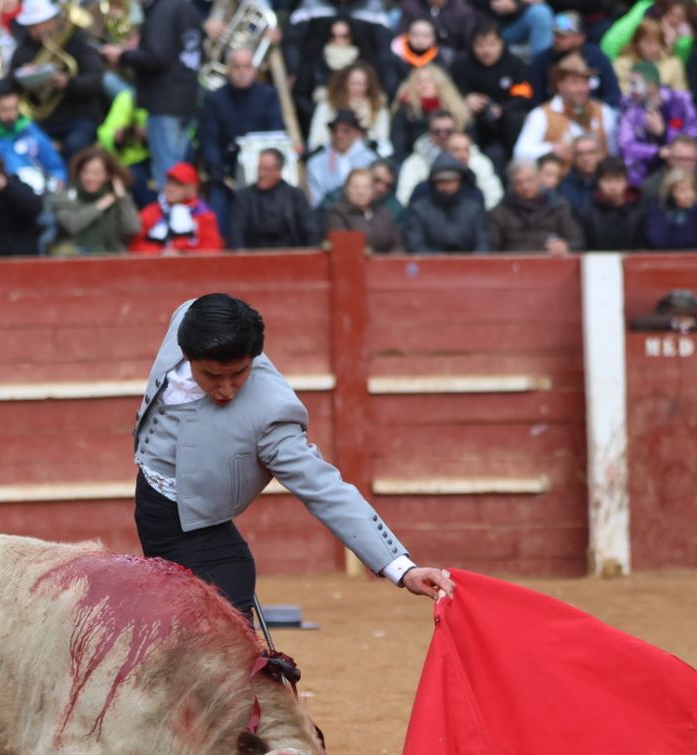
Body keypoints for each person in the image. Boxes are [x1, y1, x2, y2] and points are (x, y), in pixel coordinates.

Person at [131, 292, 454, 621]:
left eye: (239, 374)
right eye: (213, 376)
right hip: (153, 508)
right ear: (187, 354)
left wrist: (402, 568)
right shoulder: (187, 319)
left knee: (223, 648)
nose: (226, 389)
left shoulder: (271, 413)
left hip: (202, 532)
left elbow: (324, 488)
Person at [106, 0, 204, 184]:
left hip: (164, 102)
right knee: (180, 174)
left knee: (169, 178)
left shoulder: (162, 9)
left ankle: (172, 213)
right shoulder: (187, 6)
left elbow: (155, 58)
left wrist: (122, 56)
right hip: (186, 99)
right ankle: (179, 212)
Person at [7, 0, 105, 156]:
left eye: (43, 23)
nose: (38, 30)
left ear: (54, 20)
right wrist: (22, 76)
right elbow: (8, 84)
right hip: (43, 119)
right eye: (32, 26)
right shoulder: (24, 50)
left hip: (79, 115)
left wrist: (68, 83)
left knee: (75, 144)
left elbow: (95, 81)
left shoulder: (78, 42)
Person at [198, 46, 284, 222]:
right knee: (216, 214)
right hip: (226, 176)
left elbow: (276, 135)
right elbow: (209, 141)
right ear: (229, 70)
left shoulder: (268, 96)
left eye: (247, 67)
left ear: (254, 69)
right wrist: (218, 172)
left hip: (262, 175)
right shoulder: (215, 99)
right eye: (237, 67)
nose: (242, 72)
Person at [451, 22, 533, 168]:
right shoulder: (460, 66)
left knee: (514, 119)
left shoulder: (515, 64)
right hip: (475, 121)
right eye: (480, 46)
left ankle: (517, 165)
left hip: (506, 121)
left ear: (501, 43)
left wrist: (501, 109)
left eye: (491, 45)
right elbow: (449, 93)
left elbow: (524, 98)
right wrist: (465, 99)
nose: (486, 51)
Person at [513, 51, 617, 165]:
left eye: (585, 83)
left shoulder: (603, 110)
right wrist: (551, 148)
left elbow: (613, 151)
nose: (582, 89)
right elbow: (521, 152)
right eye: (575, 83)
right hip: (561, 180)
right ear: (560, 85)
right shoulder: (541, 114)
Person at [0, 81, 67, 195]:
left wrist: (58, 181)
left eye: (14, 109)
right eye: (4, 109)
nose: (10, 115)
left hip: (38, 194)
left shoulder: (31, 132)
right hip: (0, 197)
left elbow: (55, 165)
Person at [616, 61, 697, 190]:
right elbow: (626, 146)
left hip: (679, 160)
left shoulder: (680, 102)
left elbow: (693, 136)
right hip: (647, 166)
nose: (630, 90)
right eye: (629, 84)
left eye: (634, 84)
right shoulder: (629, 107)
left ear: (652, 86)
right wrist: (657, 152)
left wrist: (664, 132)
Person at [48, 144, 141, 253]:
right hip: (76, 258)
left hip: (111, 259)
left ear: (107, 175)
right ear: (79, 173)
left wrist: (122, 197)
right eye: (86, 172)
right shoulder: (65, 196)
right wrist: (100, 205)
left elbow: (133, 228)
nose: (90, 178)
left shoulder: (117, 199)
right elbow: (73, 225)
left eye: (96, 173)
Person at [396, 112, 501, 206]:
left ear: (457, 131)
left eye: (448, 131)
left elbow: (493, 196)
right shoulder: (414, 163)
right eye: (437, 131)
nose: (443, 135)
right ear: (429, 132)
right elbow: (404, 198)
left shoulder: (478, 161)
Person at [527, 10, 620, 109]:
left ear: (580, 37)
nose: (556, 40)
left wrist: (590, 110)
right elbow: (536, 100)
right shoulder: (542, 60)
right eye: (555, 35)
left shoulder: (597, 58)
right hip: (554, 118)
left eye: (563, 36)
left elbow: (613, 96)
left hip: (592, 116)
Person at [486, 157, 581, 253]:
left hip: (550, 261)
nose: (525, 186)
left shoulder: (558, 206)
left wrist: (566, 246)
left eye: (529, 180)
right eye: (519, 182)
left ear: (539, 178)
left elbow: (577, 241)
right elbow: (490, 248)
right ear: (511, 184)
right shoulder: (500, 212)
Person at [230, 147, 316, 249]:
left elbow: (310, 231)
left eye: (266, 169)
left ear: (278, 172)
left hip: (289, 256)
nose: (261, 174)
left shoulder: (295, 196)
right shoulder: (244, 197)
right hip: (253, 257)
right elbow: (236, 233)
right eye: (260, 168)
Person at [400, 155, 490, 252]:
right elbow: (415, 245)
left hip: (469, 265)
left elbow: (483, 244)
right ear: (433, 183)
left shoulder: (474, 210)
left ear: (460, 182)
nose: (447, 187)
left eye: (452, 181)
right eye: (441, 181)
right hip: (430, 265)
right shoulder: (418, 210)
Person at [131, 161, 223, 252]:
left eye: (178, 185)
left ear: (192, 189)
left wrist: (182, 254)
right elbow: (134, 245)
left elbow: (211, 248)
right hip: (155, 265)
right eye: (169, 183)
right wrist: (160, 253)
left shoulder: (204, 215)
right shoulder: (151, 212)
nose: (171, 188)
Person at [308, 61, 392, 160]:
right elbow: (317, 140)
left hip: (365, 160)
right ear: (345, 83)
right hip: (331, 158)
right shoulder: (327, 106)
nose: (357, 88)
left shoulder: (378, 109)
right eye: (354, 83)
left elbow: (382, 141)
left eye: (362, 84)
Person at [390, 62, 471, 153]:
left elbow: (469, 138)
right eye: (419, 82)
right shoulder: (406, 110)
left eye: (429, 81)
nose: (424, 85)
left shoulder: (456, 110)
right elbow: (398, 145)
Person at [305, 108, 378, 208]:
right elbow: (316, 199)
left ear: (357, 133)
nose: (339, 135)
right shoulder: (316, 163)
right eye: (335, 130)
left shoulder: (371, 160)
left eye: (346, 131)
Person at [325, 165, 402, 251]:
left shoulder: (383, 213)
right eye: (355, 187)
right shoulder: (337, 213)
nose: (360, 192)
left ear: (372, 191)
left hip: (385, 263)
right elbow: (342, 247)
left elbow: (397, 246)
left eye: (365, 188)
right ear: (346, 189)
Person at [606, 14, 687, 93]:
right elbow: (621, 93)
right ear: (637, 43)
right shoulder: (621, 65)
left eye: (657, 43)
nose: (653, 48)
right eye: (648, 43)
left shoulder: (673, 64)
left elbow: (681, 95)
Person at [643, 166, 697, 249]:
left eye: (692, 190)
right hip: (663, 259)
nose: (689, 195)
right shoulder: (657, 210)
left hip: (695, 260)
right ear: (670, 193)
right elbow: (657, 241)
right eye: (682, 191)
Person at [579, 155, 640, 250]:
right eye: (607, 181)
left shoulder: (638, 212)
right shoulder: (588, 215)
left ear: (626, 182)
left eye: (618, 181)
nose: (613, 187)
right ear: (598, 183)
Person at [398, 0, 478, 63]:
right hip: (414, 56)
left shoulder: (463, 11)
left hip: (453, 58)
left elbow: (469, 43)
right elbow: (402, 37)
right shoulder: (411, 7)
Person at [471, 0, 554, 58]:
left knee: (541, 13)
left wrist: (517, 4)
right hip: (487, 27)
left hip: (520, 22)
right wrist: (492, 3)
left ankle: (541, 68)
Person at [629, 288, 697, 333]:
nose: (682, 316)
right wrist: (675, 323)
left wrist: (693, 324)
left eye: (686, 313)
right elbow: (638, 323)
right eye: (677, 312)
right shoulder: (657, 322)